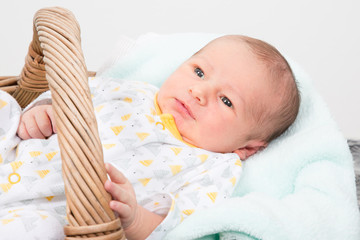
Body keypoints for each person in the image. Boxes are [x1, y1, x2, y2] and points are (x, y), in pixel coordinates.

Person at [8, 35, 299, 240]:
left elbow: (179, 224)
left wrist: (136, 219)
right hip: (14, 156)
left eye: (226, 101)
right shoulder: (132, 90)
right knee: (5, 105)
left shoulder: (214, 168)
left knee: (42, 230)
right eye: (199, 72)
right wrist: (40, 112)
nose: (198, 92)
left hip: (50, 210)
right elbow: (68, 96)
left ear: (246, 147)